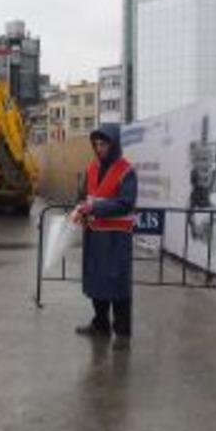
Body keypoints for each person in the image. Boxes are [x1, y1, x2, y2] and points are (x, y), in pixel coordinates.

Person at [71, 124, 138, 350]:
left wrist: (93, 209)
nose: (99, 148)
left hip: (117, 237)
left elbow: (125, 203)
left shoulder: (127, 171)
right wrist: (79, 208)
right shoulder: (91, 169)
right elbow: (84, 196)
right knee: (96, 282)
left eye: (104, 144)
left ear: (114, 144)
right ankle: (100, 324)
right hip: (94, 235)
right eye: (96, 144)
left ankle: (122, 334)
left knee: (118, 285)